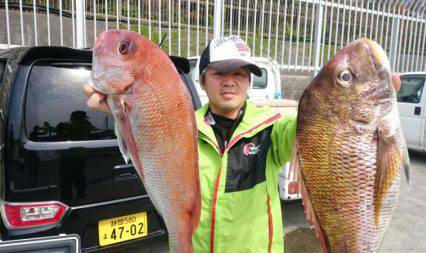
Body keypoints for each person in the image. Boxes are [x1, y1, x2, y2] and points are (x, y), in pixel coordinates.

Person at [83, 35, 297, 252]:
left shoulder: (271, 128)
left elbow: (308, 126)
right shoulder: (181, 126)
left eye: (239, 74)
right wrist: (128, 118)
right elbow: (149, 154)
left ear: (249, 83)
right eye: (220, 73)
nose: (229, 81)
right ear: (202, 81)